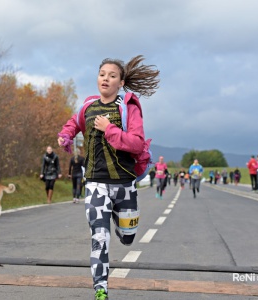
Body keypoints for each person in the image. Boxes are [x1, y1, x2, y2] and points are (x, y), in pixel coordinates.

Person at [57, 55, 159, 300]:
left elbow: (136, 143)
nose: (106, 78)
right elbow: (74, 122)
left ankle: (117, 218)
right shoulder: (88, 107)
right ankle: (100, 289)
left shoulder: (128, 108)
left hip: (124, 185)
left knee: (127, 238)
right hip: (95, 183)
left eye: (112, 75)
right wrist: (66, 136)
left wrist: (109, 129)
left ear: (121, 82)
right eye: (102, 74)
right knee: (99, 237)